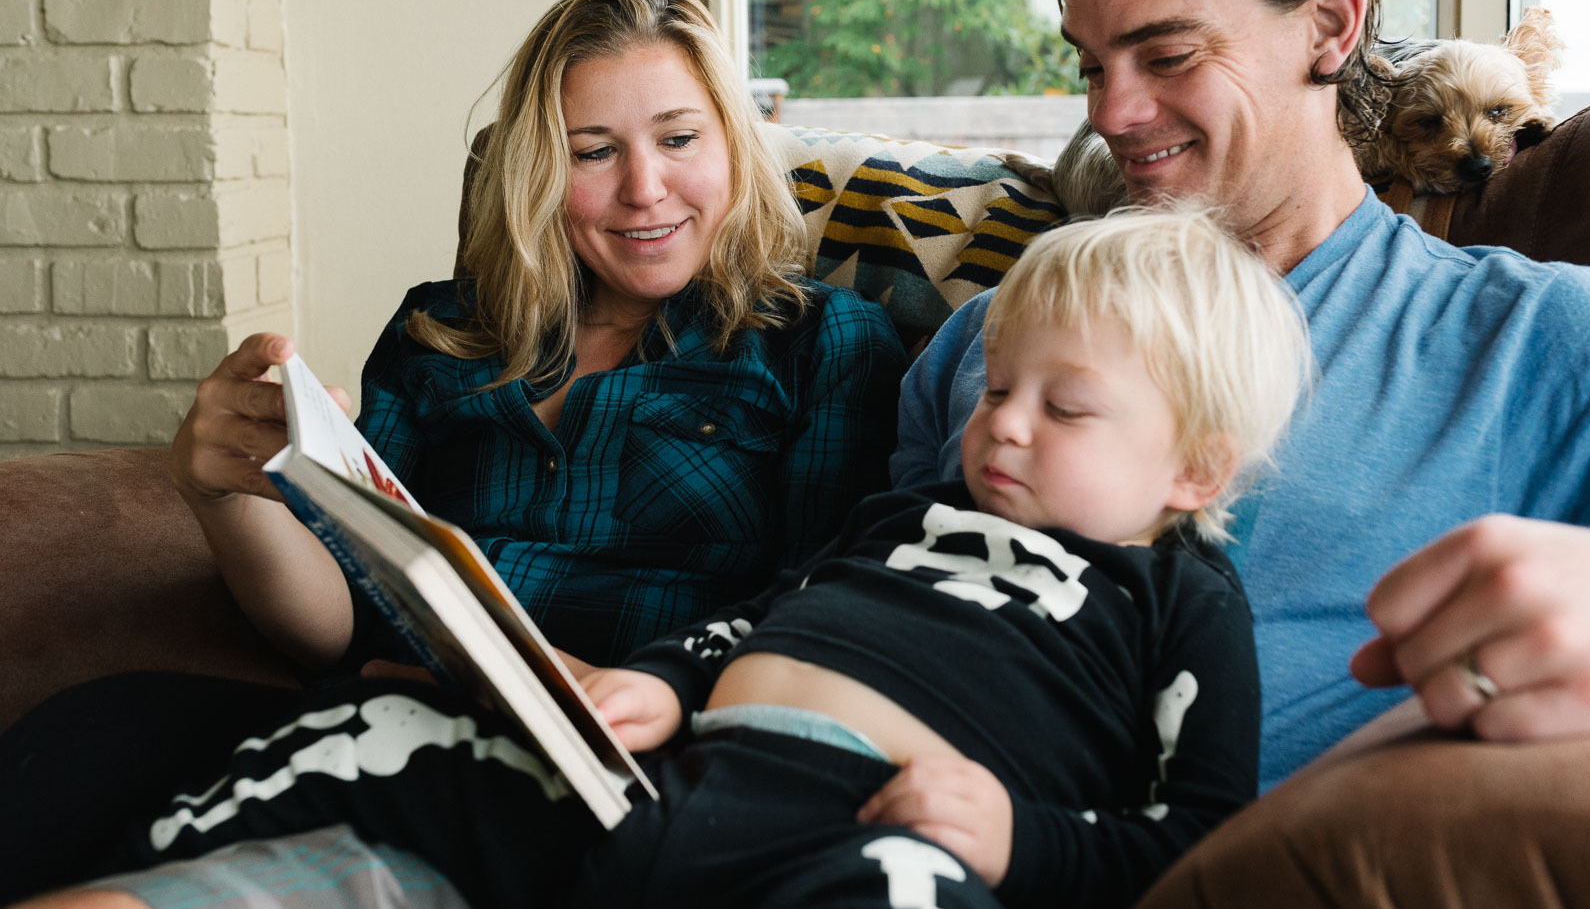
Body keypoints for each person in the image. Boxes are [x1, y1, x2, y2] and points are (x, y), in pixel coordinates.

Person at [36, 208, 1309, 909]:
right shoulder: (900, 519)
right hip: (659, 783)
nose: (1003, 423)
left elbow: (1199, 838)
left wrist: (1024, 842)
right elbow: (753, 618)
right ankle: (162, 872)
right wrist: (661, 680)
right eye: (997, 388)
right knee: (382, 733)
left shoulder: (1178, 597)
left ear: (1194, 468)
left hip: (855, 835)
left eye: (1065, 408)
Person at [891, 0, 1590, 792]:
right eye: (1092, 66)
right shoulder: (986, 337)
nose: (1110, 114)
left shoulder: (1519, 337)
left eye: (1168, 56)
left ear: (1330, 26)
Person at [0, 0, 906, 901]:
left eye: (679, 140)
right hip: (391, 703)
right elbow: (337, 620)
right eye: (592, 152)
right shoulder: (443, 335)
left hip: (622, 751)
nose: (644, 189)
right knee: (83, 734)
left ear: (731, 145)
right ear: (538, 171)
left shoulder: (820, 344)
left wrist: (598, 683)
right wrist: (220, 494)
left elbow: (817, 617)